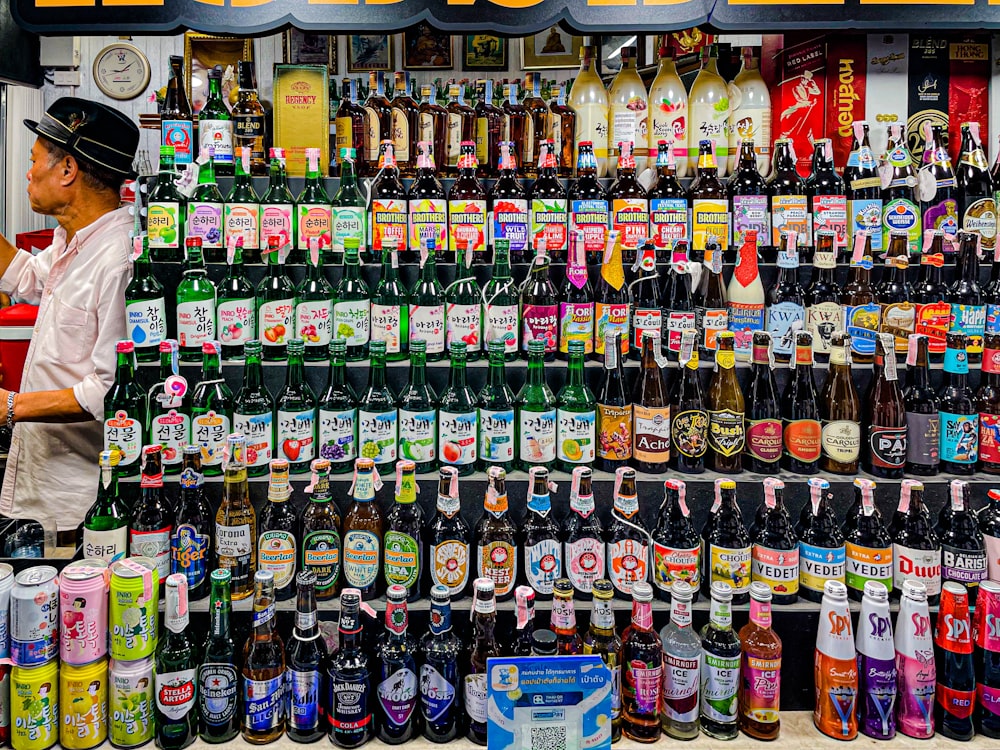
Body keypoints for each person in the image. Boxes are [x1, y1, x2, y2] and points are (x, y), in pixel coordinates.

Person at [0, 97, 140, 539]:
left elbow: (109, 390)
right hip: (41, 486)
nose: (28, 172)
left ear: (67, 170)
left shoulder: (118, 260)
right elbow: (28, 277)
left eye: (34, 159)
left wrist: (9, 407)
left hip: (81, 503)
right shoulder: (71, 239)